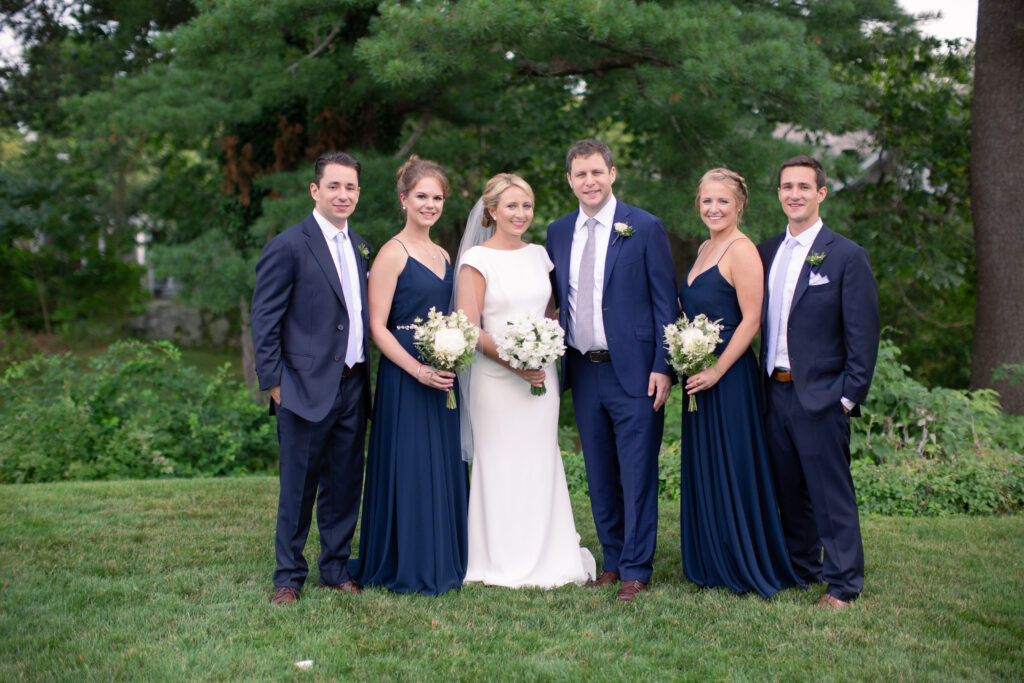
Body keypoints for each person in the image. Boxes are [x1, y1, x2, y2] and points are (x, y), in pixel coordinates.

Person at [545, 139, 678, 602]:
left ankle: (637, 569)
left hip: (637, 372)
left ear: (612, 173)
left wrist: (664, 366)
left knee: (636, 472)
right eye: (580, 174)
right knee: (599, 471)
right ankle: (614, 558)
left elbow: (666, 303)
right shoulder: (558, 232)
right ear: (569, 180)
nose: (590, 181)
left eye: (597, 172)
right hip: (583, 370)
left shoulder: (644, 227)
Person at [455, 173, 596, 588]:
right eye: (511, 206)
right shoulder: (477, 260)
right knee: (499, 463)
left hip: (541, 380)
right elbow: (468, 327)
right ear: (492, 211)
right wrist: (516, 361)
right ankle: (497, 557)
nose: (521, 214)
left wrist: (544, 347)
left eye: (527, 206)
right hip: (495, 380)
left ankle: (548, 553)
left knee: (539, 461)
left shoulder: (540, 255)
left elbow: (551, 315)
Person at [758, 155, 880, 609]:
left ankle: (844, 583)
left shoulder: (847, 255)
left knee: (830, 494)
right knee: (788, 490)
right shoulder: (765, 251)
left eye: (804, 187)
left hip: (823, 395)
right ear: (779, 194)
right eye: (787, 186)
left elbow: (864, 335)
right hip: (774, 390)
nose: (794, 194)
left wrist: (847, 397)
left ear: (821, 193)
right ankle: (801, 568)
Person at [251, 151, 372, 605]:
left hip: (354, 383)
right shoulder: (288, 245)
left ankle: (336, 568)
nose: (343, 195)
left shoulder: (360, 245)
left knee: (344, 483)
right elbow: (264, 318)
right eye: (335, 186)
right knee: (299, 486)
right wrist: (275, 382)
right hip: (301, 386)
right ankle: (288, 576)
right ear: (315, 190)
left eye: (351, 187)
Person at [678, 168, 804, 599]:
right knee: (707, 463)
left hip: (729, 379)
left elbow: (751, 320)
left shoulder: (742, 250)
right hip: (700, 375)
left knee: (734, 465)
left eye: (722, 202)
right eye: (706, 201)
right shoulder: (703, 247)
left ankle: (742, 558)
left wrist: (716, 370)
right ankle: (713, 555)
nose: (713, 208)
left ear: (740, 206)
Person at [348, 156, 468, 595]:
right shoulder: (391, 253)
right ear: (404, 199)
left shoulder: (442, 253)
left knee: (439, 463)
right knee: (411, 467)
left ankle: (440, 554)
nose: (430, 204)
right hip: (406, 376)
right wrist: (418, 368)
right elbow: (376, 326)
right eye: (422, 196)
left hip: (443, 374)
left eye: (437, 197)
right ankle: (405, 560)